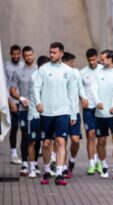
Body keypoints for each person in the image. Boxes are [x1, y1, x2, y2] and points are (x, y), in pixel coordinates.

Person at [34, 42, 77, 186]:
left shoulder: (68, 71)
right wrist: (38, 102)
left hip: (63, 112)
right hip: (46, 112)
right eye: (50, 52)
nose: (51, 55)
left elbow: (72, 93)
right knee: (46, 143)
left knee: (61, 142)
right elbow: (36, 87)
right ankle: (46, 170)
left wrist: (73, 114)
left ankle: (59, 174)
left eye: (54, 52)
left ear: (61, 54)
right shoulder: (44, 69)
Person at [10, 46, 38, 176]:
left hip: (37, 109)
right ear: (23, 56)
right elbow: (12, 90)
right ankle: (25, 163)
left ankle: (35, 163)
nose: (28, 57)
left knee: (36, 137)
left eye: (30, 55)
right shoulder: (18, 71)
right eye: (26, 56)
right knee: (25, 135)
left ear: (33, 55)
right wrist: (21, 98)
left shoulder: (39, 70)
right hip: (23, 109)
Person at [62, 52, 88, 178]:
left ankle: (72, 160)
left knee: (75, 140)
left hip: (75, 112)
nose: (73, 64)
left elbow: (80, 87)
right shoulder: (60, 73)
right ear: (65, 62)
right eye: (71, 62)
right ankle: (62, 167)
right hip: (61, 112)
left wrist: (83, 97)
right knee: (61, 141)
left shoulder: (76, 72)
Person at [95, 50, 113, 179]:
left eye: (103, 59)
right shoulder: (98, 72)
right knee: (101, 141)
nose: (101, 61)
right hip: (100, 113)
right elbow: (93, 89)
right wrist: (97, 101)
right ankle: (103, 165)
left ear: (110, 59)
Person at [80, 48, 103, 175]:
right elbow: (79, 89)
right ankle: (91, 163)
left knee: (101, 137)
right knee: (91, 134)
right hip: (88, 108)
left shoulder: (103, 70)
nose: (92, 62)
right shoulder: (82, 72)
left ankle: (100, 161)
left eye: (94, 60)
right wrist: (82, 98)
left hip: (100, 108)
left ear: (97, 58)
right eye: (90, 60)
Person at [4, 45, 24, 164]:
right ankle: (13, 154)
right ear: (11, 54)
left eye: (18, 54)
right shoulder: (6, 66)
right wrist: (10, 102)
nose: (16, 56)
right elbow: (4, 86)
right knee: (14, 128)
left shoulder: (23, 65)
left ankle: (26, 153)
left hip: (22, 102)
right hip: (12, 102)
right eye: (14, 54)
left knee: (25, 128)